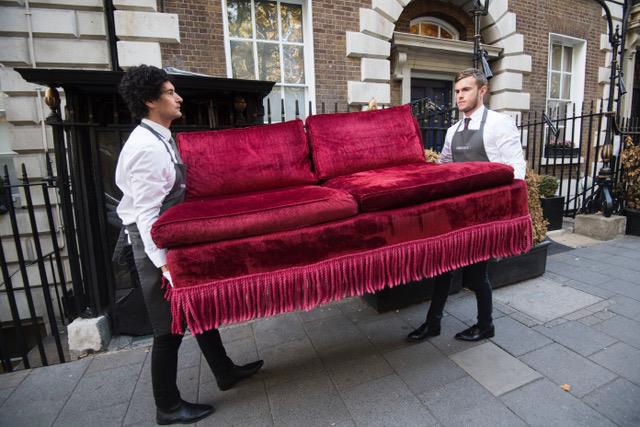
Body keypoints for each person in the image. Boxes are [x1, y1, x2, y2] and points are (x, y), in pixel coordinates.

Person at [114, 65, 263, 425]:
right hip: (153, 244)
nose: (177, 97)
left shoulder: (160, 135)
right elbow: (147, 215)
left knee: (198, 310)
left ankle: (224, 371)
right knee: (168, 329)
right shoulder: (146, 148)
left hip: (168, 236)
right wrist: (165, 265)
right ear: (150, 101)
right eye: (168, 92)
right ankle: (167, 405)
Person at [407, 68, 526, 343]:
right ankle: (433, 324)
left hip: (483, 214)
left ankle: (486, 325)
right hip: (454, 215)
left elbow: (516, 167)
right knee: (443, 270)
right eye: (458, 91)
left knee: (476, 276)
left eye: (466, 90)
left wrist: (510, 206)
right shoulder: (452, 131)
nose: (460, 96)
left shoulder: (499, 124)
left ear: (482, 91)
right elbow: (445, 168)